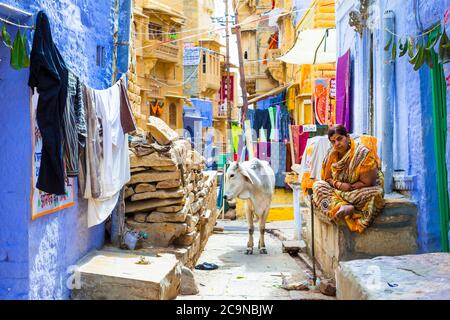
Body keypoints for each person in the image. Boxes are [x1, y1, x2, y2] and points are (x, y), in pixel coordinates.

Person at [312, 125, 385, 233]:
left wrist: (350, 187)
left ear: (347, 137)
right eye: (333, 141)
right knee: (317, 186)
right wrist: (339, 185)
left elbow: (368, 182)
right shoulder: (331, 155)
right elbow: (327, 179)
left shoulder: (362, 154)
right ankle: (344, 206)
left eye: (339, 138)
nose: (337, 143)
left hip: (358, 191)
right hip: (339, 191)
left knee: (376, 193)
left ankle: (350, 210)